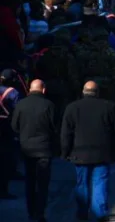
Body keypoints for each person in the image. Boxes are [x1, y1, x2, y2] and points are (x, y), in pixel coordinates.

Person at [61, 81, 115, 222]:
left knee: (82, 183)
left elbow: (66, 133)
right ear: (97, 93)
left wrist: (65, 152)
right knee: (100, 182)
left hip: (79, 153)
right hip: (103, 153)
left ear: (83, 92)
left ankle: (82, 212)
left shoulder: (72, 108)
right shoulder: (109, 107)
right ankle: (100, 213)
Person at [11, 79, 58, 221]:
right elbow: (55, 127)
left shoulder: (21, 105)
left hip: (27, 149)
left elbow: (14, 126)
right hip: (44, 149)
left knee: (30, 181)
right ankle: (40, 213)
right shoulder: (49, 105)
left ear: (30, 89)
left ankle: (31, 211)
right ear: (43, 90)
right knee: (43, 183)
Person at [0, 68, 20, 201]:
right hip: (6, 128)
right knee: (5, 160)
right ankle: (3, 190)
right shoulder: (12, 93)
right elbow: (18, 111)